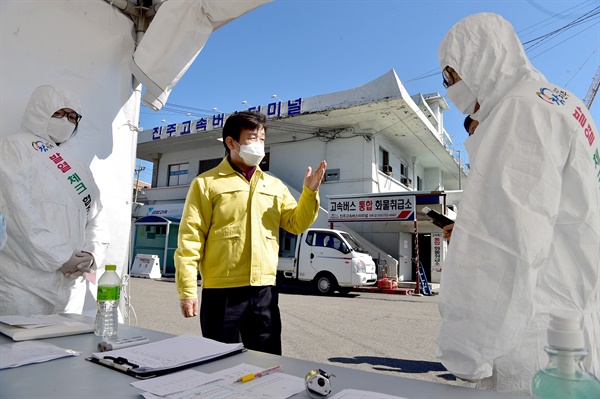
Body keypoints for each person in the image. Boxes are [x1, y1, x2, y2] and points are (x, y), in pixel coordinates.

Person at [436, 13, 599, 395]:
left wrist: (466, 350)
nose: (449, 88)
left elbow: (504, 245)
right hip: (577, 330)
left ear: (481, 58)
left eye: (451, 75)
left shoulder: (520, 111)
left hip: (532, 346)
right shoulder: (568, 107)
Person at [175, 111, 326, 355]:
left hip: (263, 290)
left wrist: (309, 194)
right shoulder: (206, 183)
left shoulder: (274, 185)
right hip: (221, 292)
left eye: (262, 139)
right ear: (231, 142)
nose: (259, 144)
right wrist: (187, 290)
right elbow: (190, 239)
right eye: (252, 137)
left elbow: (296, 223)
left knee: (266, 363)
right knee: (219, 362)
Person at [0, 85, 110, 315]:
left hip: (71, 286)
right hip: (22, 283)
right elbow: (14, 212)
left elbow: (97, 217)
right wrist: (60, 256)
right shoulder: (15, 147)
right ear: (39, 111)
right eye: (59, 113)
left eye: (72, 116)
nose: (66, 121)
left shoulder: (78, 166)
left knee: (68, 349)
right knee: (19, 348)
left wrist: (91, 255)